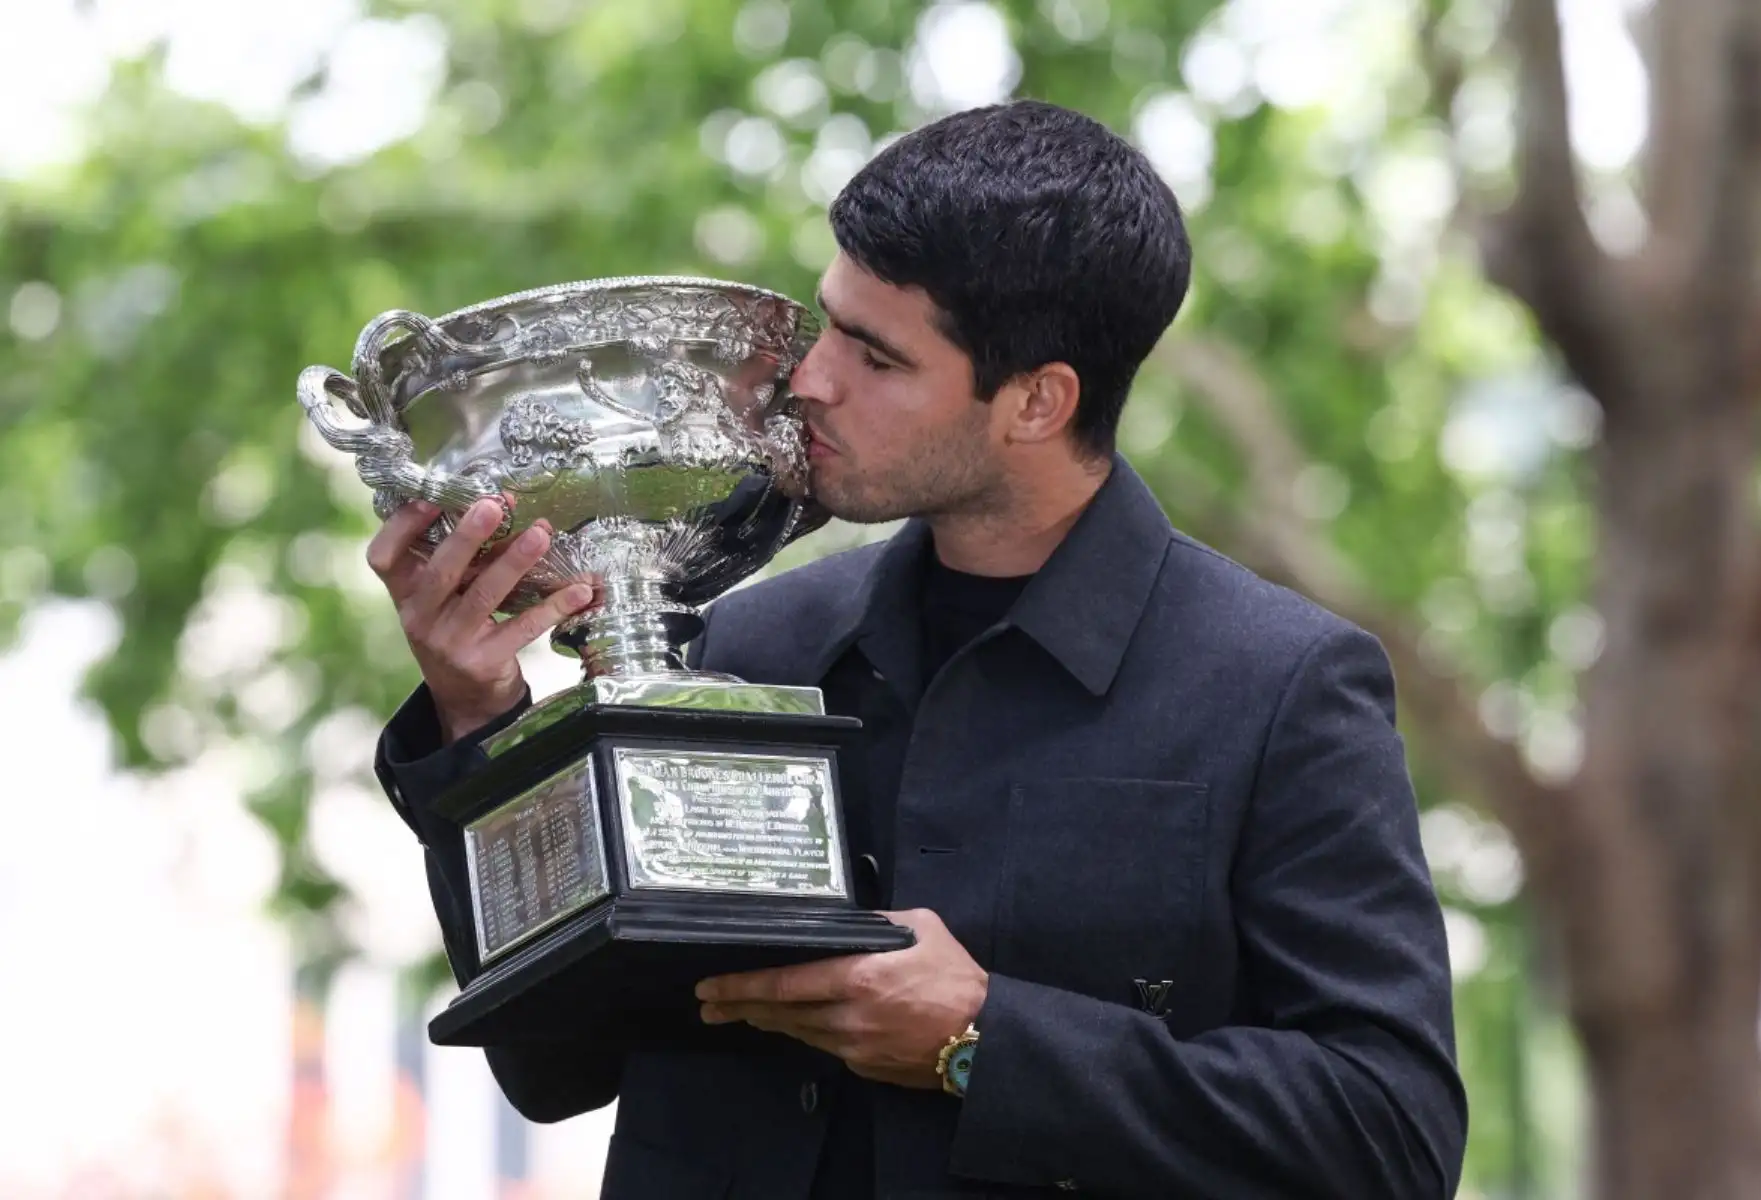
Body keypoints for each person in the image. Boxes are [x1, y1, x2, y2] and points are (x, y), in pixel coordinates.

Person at [369, 99, 1467, 1198]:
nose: (811, 379)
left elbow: (1390, 1135)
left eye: (877, 356)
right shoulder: (746, 643)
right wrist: (479, 727)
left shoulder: (1282, 684)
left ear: (1038, 401)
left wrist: (984, 1039)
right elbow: (552, 1066)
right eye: (827, 322)